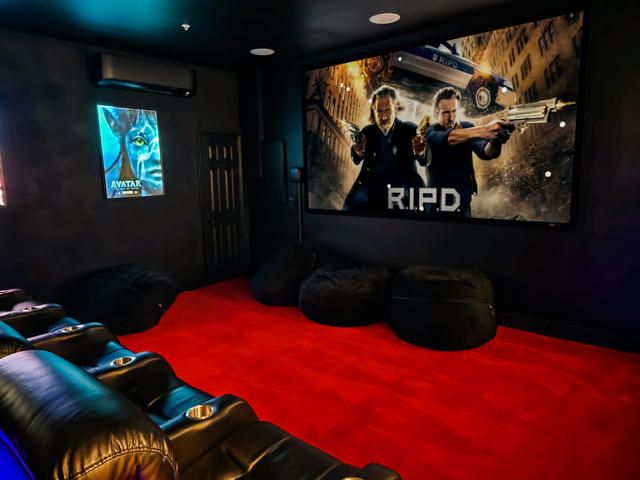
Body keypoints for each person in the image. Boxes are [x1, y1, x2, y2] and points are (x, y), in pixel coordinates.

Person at [424, 86, 514, 217]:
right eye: (446, 112)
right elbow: (449, 138)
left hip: (463, 207)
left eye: (454, 111)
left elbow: (486, 152)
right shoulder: (430, 132)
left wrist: (496, 139)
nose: (451, 117)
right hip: (435, 209)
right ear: (436, 112)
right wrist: (485, 130)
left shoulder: (467, 127)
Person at [343, 85, 427, 212]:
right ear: (373, 110)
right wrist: (358, 151)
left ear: (395, 108)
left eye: (388, 110)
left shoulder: (410, 130)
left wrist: (421, 152)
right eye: (379, 111)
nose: (383, 117)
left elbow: (424, 160)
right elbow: (356, 158)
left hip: (404, 197)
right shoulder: (368, 132)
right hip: (372, 197)